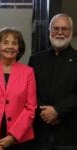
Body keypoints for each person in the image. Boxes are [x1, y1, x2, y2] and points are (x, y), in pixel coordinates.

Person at [28, 13, 77, 150]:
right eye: (55, 28)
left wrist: (57, 111)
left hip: (69, 135)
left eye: (64, 29)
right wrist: (44, 112)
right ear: (50, 31)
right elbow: (29, 91)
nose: (60, 32)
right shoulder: (36, 60)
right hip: (39, 133)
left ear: (71, 32)